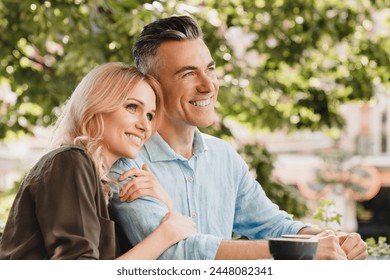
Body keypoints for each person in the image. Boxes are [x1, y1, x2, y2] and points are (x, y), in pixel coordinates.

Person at [109, 16, 368, 260]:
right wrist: (298, 251)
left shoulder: (223, 156)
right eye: (188, 74)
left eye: (209, 69)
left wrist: (330, 240)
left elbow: (272, 225)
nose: (208, 85)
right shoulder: (128, 163)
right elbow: (174, 254)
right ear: (153, 86)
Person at [0, 62, 196, 260]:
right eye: (132, 107)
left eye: (150, 115)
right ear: (97, 105)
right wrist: (166, 234)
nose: (145, 125)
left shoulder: (102, 184)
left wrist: (164, 202)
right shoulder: (69, 161)